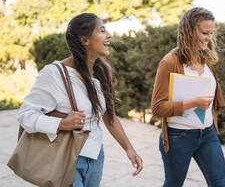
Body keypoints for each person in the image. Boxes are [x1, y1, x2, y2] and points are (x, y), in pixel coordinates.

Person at [17, 13, 143, 187]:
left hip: (96, 157)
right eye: (102, 30)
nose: (109, 35)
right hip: (67, 158)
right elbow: (25, 115)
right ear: (85, 40)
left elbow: (109, 117)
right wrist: (61, 123)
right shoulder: (54, 74)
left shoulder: (103, 72)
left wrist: (129, 149)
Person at [151, 7, 225, 187]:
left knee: (221, 184)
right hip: (179, 136)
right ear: (189, 32)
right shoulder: (169, 62)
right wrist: (192, 103)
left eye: (211, 33)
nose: (209, 38)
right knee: (173, 184)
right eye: (204, 33)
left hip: (207, 133)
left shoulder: (206, 58)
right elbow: (157, 108)